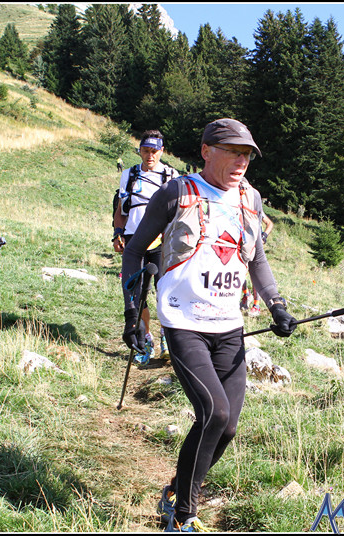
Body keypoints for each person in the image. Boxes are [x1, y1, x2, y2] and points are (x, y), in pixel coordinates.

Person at [121, 118, 296, 532]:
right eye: (233, 152)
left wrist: (277, 305)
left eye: (247, 154)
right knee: (213, 413)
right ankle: (184, 515)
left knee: (227, 426)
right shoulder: (177, 192)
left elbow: (256, 258)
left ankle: (175, 490)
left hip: (228, 325)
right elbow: (134, 250)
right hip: (183, 321)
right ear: (206, 151)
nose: (241, 161)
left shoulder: (250, 199)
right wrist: (132, 314)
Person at [113, 130, 179, 362]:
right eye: (145, 151)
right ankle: (145, 337)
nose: (150, 156)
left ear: (161, 151)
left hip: (162, 241)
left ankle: (166, 337)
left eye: (154, 151)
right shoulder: (129, 174)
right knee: (137, 293)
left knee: (165, 291)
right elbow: (121, 207)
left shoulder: (171, 175)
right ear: (139, 150)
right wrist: (117, 233)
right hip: (134, 240)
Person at [241, 212, 274, 317]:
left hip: (254, 245)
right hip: (241, 243)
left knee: (254, 275)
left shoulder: (256, 208)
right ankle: (247, 294)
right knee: (239, 273)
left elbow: (269, 223)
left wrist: (264, 236)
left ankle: (256, 305)